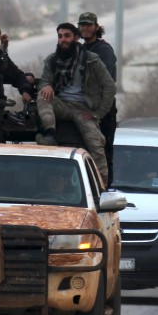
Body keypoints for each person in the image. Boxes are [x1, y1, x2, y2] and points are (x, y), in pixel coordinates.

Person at [35, 23, 116, 184]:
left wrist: (98, 114)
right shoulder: (52, 60)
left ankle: (102, 187)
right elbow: (44, 80)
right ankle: (50, 134)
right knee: (43, 95)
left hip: (83, 108)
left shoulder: (91, 59)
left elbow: (109, 86)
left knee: (96, 146)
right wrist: (46, 85)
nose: (63, 40)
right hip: (62, 105)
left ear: (76, 37)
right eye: (60, 36)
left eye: (67, 36)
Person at [77, 12, 118, 187]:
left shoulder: (103, 50)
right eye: (82, 25)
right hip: (83, 106)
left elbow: (107, 81)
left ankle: (105, 189)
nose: (85, 28)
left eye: (88, 25)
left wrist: (99, 112)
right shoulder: (78, 49)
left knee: (103, 151)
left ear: (96, 27)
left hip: (103, 109)